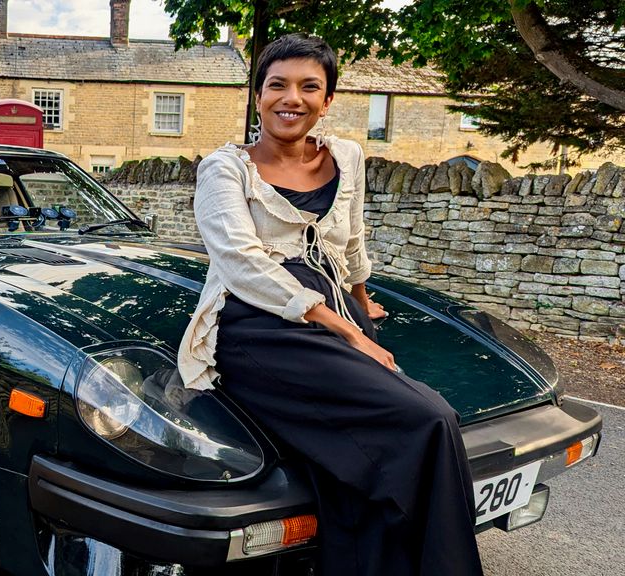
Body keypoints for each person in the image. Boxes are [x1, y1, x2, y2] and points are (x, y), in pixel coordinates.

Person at [177, 34, 483, 576]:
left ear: (328, 99)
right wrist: (346, 331)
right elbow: (242, 264)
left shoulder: (348, 156)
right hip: (257, 326)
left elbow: (352, 240)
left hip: (337, 310)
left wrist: (364, 306)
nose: (290, 98)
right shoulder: (225, 169)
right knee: (430, 419)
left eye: (308, 86)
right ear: (258, 94)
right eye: (277, 85)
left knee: (349, 468)